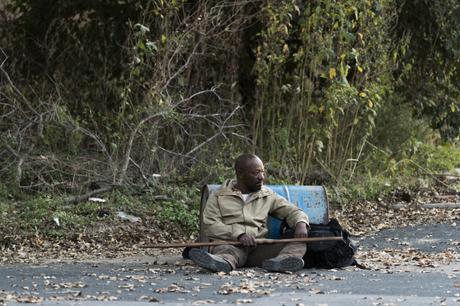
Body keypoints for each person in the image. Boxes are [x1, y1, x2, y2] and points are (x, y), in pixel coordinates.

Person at [189, 154, 310, 273]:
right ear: (240, 173)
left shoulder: (267, 195)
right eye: (256, 172)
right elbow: (210, 225)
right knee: (227, 252)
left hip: (259, 247)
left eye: (262, 172)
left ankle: (280, 262)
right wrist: (239, 235)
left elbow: (292, 211)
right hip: (231, 245)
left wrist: (301, 223)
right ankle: (222, 262)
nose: (261, 177)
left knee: (298, 242)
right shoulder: (218, 196)